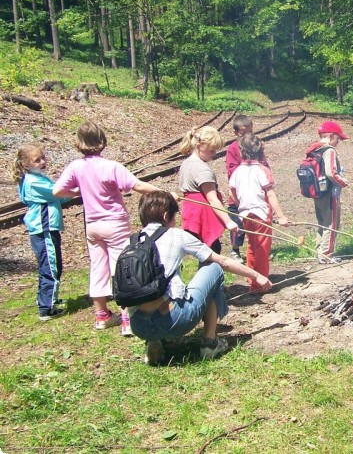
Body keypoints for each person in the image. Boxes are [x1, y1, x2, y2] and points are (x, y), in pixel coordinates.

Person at [127, 191, 272, 365]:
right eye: (175, 216)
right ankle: (210, 344)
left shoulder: (131, 242)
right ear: (166, 216)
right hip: (174, 320)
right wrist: (257, 276)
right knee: (213, 268)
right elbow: (223, 261)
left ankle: (154, 341)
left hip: (138, 325)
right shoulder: (176, 235)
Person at [53, 122, 160, 334]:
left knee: (97, 267)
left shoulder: (76, 167)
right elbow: (137, 186)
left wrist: (79, 192)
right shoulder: (111, 166)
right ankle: (127, 319)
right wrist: (163, 193)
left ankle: (101, 315)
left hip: (92, 225)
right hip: (114, 224)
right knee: (122, 268)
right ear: (102, 141)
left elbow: (57, 191)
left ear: (79, 143)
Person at [14, 143, 71, 321]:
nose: (42, 162)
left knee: (50, 264)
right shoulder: (34, 181)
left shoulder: (36, 178)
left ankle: (48, 299)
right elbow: (58, 193)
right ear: (25, 164)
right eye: (37, 160)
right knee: (51, 266)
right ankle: (46, 308)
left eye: (43, 158)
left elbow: (59, 196)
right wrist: (78, 188)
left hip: (46, 228)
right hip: (44, 228)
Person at [229, 133, 289, 285]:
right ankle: (261, 283)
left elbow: (231, 192)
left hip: (245, 215)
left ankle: (251, 278)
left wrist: (241, 205)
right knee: (262, 248)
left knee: (251, 246)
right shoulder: (262, 170)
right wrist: (281, 216)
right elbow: (270, 195)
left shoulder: (237, 171)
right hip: (261, 214)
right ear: (260, 150)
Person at [177, 126, 239, 254]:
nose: (214, 154)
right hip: (201, 213)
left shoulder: (186, 163)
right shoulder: (202, 169)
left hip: (190, 211)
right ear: (199, 146)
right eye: (211, 150)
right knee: (211, 251)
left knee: (202, 250)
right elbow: (212, 198)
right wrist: (228, 221)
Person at [306, 120, 349, 263]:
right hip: (329, 193)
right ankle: (327, 255)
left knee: (322, 221)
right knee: (332, 223)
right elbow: (331, 173)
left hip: (317, 191)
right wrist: (344, 182)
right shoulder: (329, 150)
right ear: (331, 136)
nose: (339, 142)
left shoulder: (313, 149)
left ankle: (319, 251)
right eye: (338, 138)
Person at [225, 114, 262, 263]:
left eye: (249, 132)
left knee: (256, 221)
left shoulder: (256, 145)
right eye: (242, 133)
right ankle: (235, 249)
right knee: (237, 223)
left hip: (255, 193)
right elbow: (231, 170)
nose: (246, 136)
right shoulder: (233, 148)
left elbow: (264, 163)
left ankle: (255, 247)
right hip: (238, 195)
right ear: (236, 133)